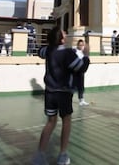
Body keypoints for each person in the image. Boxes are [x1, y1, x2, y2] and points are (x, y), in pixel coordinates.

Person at [32, 26, 90, 165]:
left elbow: (40, 51)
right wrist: (86, 56)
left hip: (49, 93)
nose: (66, 33)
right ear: (62, 38)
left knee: (50, 122)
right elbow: (81, 68)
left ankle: (40, 155)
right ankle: (63, 155)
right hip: (64, 93)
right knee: (66, 121)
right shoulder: (68, 53)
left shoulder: (48, 50)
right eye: (64, 33)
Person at [74, 39, 89, 106]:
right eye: (80, 45)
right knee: (72, 86)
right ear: (77, 45)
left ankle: (81, 100)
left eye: (82, 45)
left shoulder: (83, 53)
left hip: (81, 71)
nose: (81, 46)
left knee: (81, 86)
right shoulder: (75, 51)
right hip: (75, 71)